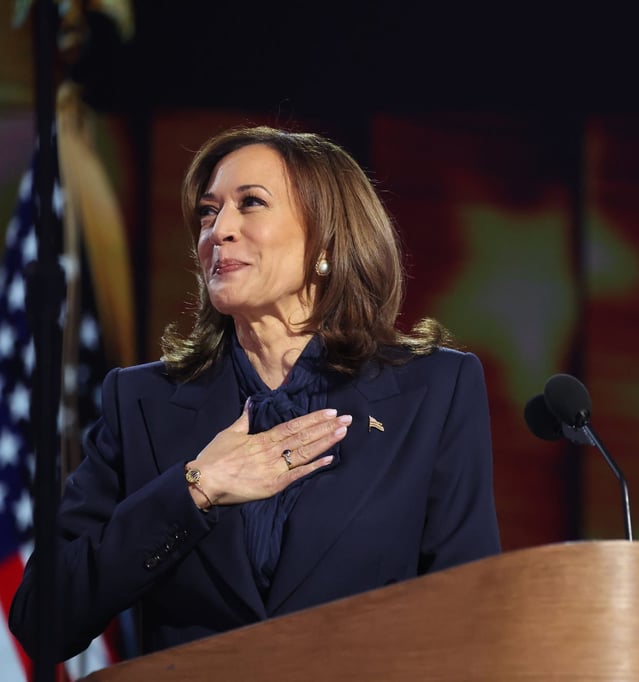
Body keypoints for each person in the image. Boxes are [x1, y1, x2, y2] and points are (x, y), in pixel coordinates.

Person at [9, 125, 502, 660]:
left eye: (251, 204)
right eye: (208, 211)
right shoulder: (141, 402)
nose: (218, 230)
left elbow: (470, 614)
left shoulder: (432, 391)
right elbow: (42, 618)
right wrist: (196, 487)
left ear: (327, 240)